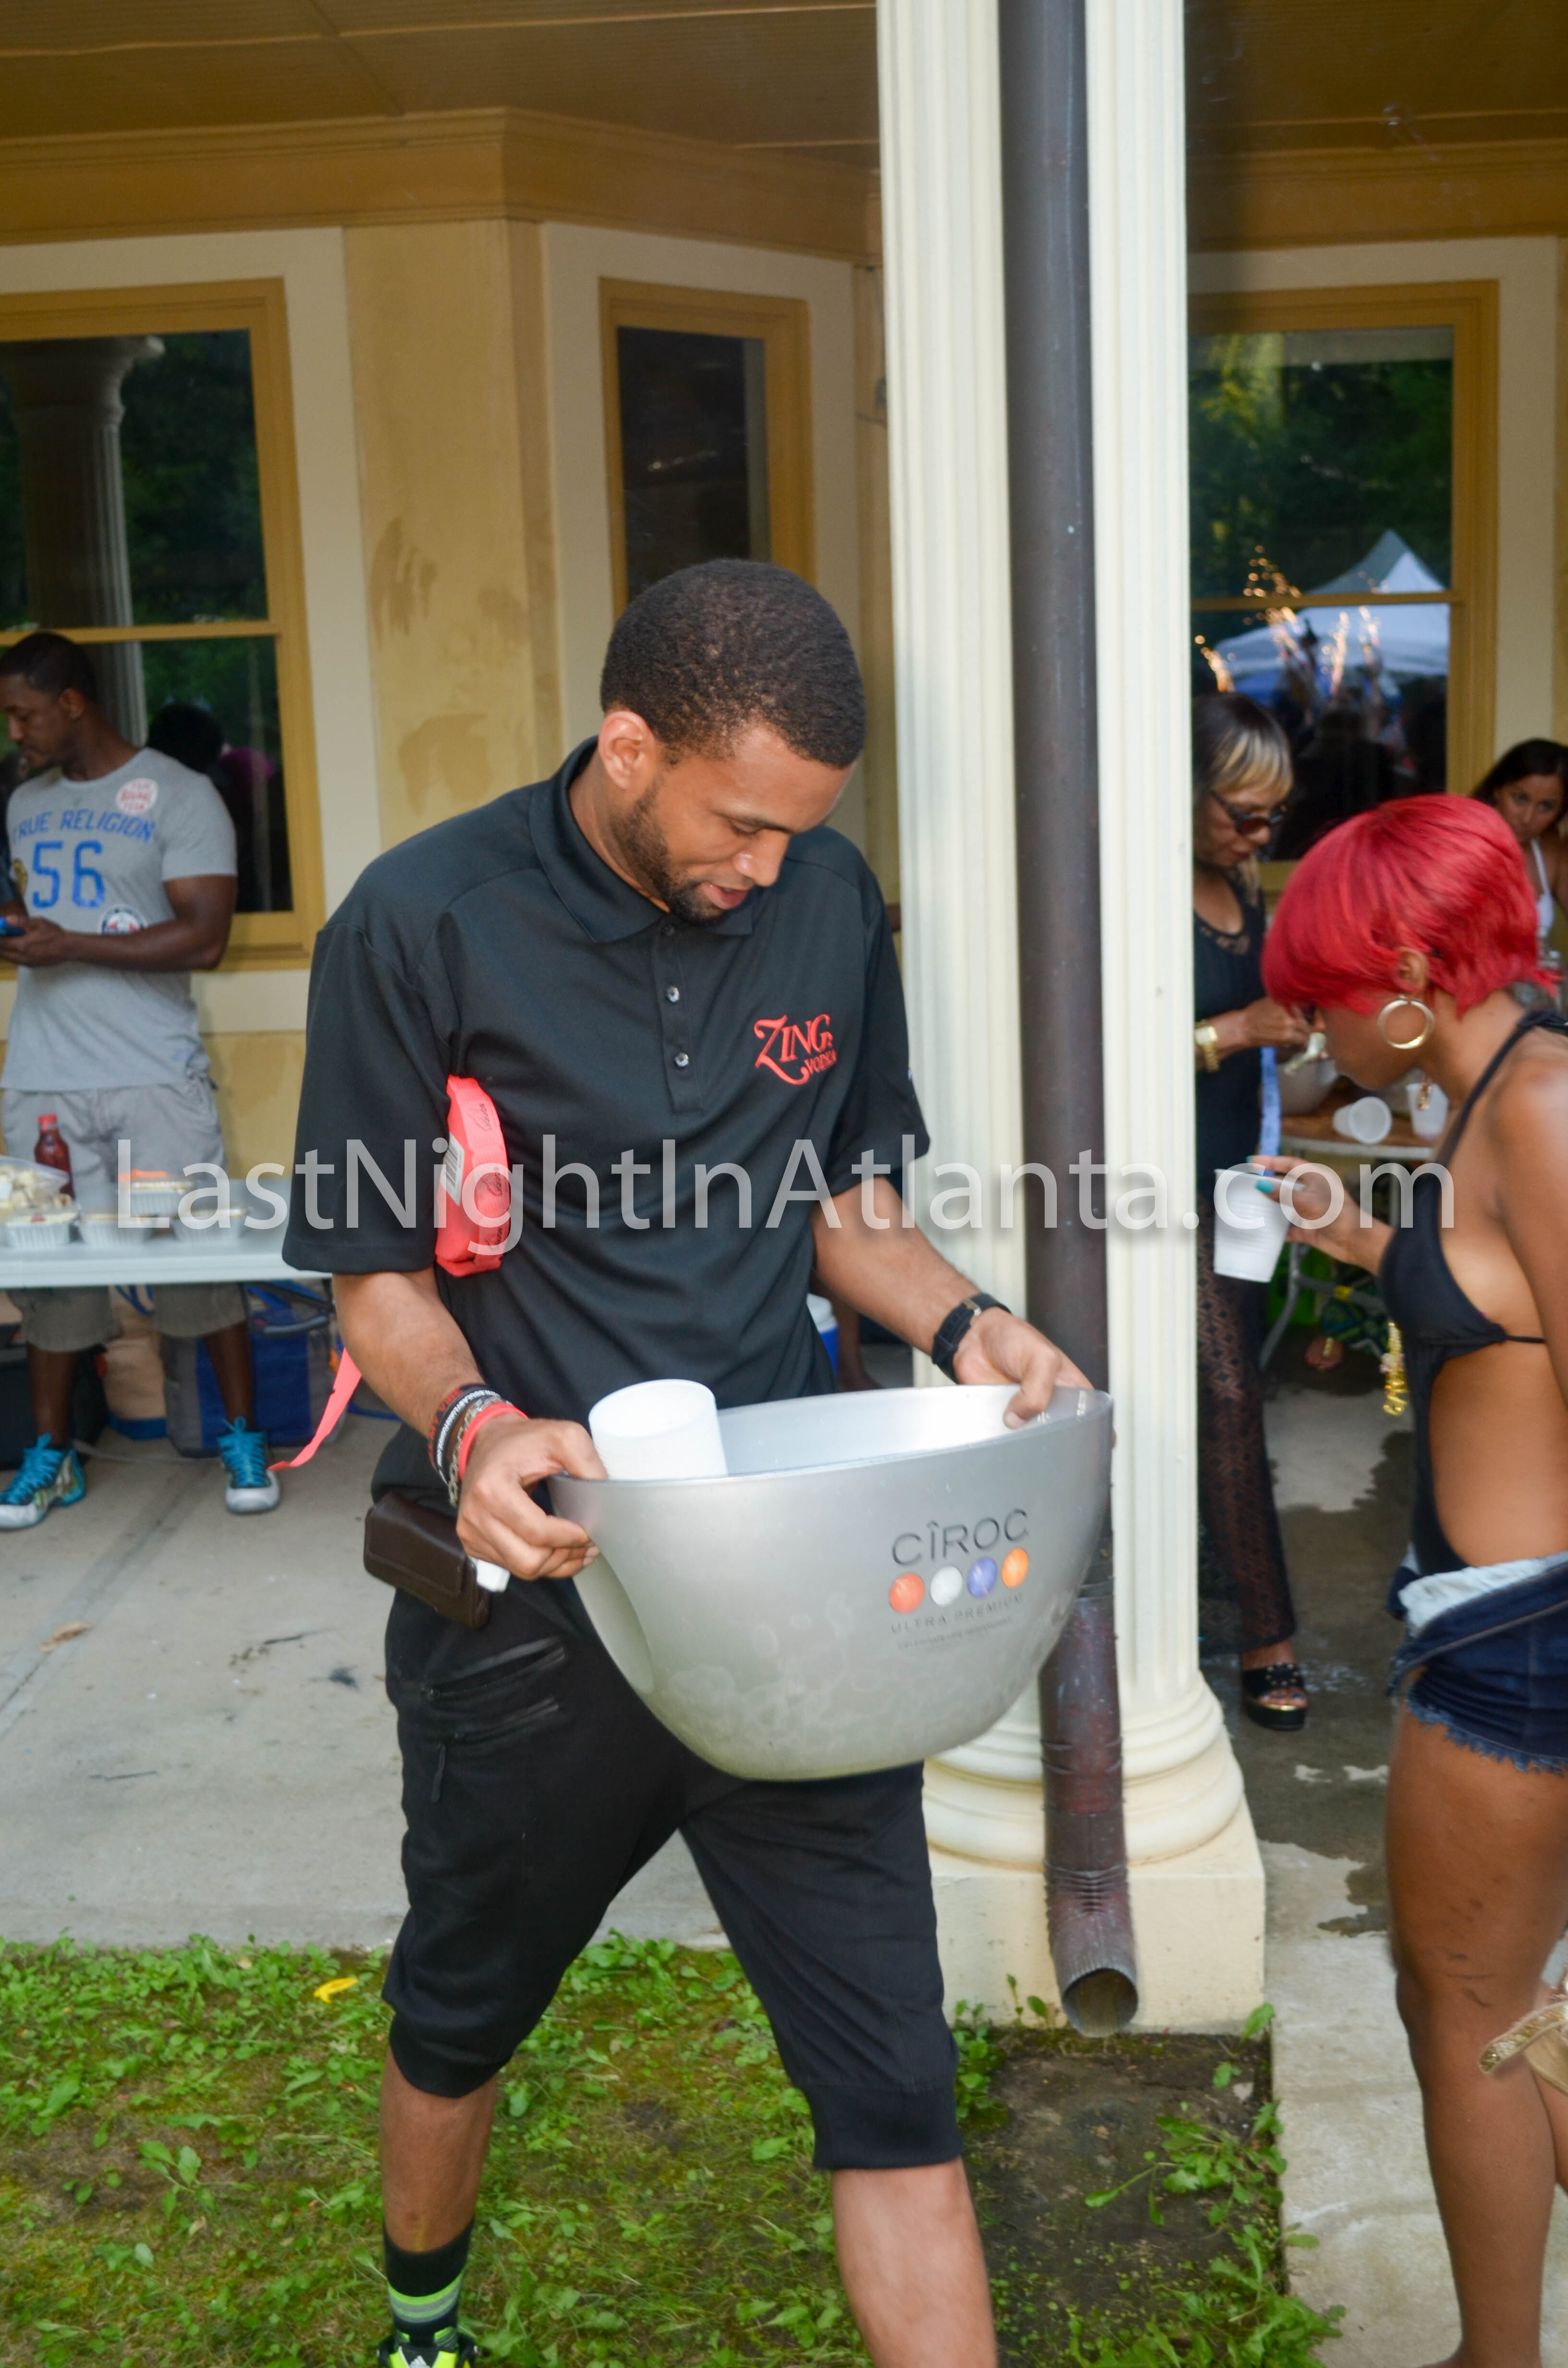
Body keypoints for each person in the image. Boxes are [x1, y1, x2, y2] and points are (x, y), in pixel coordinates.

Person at [285, 559, 1090, 2368]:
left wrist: (970, 1324)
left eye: (803, 829)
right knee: (459, 2010)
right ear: (628, 745)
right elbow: (371, 1272)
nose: (771, 868)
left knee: (893, 2081)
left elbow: (839, 1207)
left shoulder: (826, 905)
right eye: (742, 824)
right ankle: (422, 2327)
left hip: (790, 1603)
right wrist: (476, 1427)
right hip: (535, 1602)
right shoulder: (420, 921)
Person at [1258, 796, 1568, 2368]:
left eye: (1319, 997)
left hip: (1526, 1641)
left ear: (1401, 980)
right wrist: (1366, 1244)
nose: (1308, 1029)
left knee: (1468, 2017)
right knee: (1473, 2007)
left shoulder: (1544, 1106)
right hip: (1493, 1622)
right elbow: (1499, 1295)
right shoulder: (1491, 1085)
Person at [0, 632, 278, 1524]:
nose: (15, 733)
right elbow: (38, 921)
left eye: (25, 715)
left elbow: (205, 937)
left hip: (152, 1078)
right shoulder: (24, 802)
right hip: (41, 1075)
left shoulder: (180, 794)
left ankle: (242, 1438)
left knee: (198, 1258)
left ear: (72, 702)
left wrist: (69, 945)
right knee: (48, 1275)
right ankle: (53, 1456)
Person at [1189, 693, 1311, 1728]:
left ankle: (1211, 1597)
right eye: (1243, 812)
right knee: (1229, 1398)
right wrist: (1229, 1030)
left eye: (1275, 813)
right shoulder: (1140, 892)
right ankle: (1266, 1638)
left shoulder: (1238, 883)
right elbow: (1090, 1052)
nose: (1261, 833)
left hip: (1240, 1176)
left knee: (1229, 1395)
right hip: (1152, 1187)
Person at [1470, 738, 1568, 957]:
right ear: (1498, 789)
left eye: (1546, 807)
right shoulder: (1462, 844)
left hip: (1535, 978)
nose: (1527, 818)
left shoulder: (1550, 847)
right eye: (1520, 799)